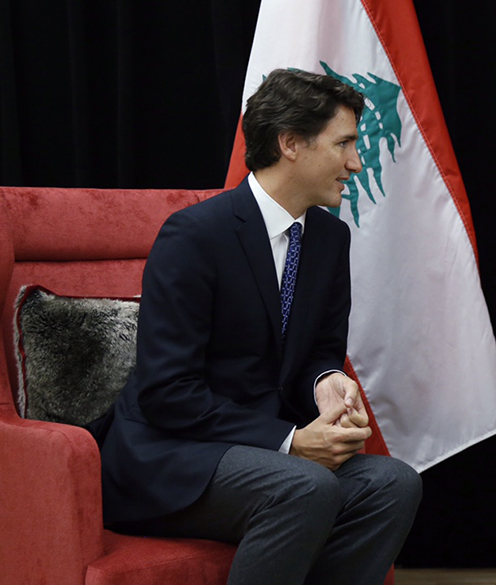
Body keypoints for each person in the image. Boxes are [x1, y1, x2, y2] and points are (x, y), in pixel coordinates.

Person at [98, 69, 422, 585]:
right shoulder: (194, 236)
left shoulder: (329, 239)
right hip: (170, 458)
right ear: (291, 143)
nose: (356, 163)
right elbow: (167, 392)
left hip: (263, 454)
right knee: (303, 486)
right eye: (343, 144)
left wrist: (325, 382)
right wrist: (290, 441)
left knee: (394, 483)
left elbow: (317, 353)